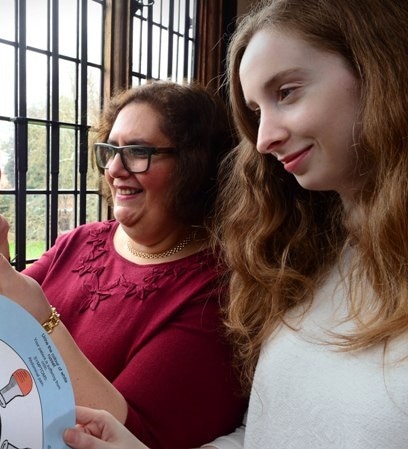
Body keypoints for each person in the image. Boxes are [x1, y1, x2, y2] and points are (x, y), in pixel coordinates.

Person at [60, 0, 408, 448]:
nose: (264, 140)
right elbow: (266, 432)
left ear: (378, 71)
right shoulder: (298, 258)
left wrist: (42, 320)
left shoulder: (212, 286)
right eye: (256, 113)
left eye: (287, 92)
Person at [0, 81, 247, 448]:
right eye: (111, 151)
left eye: (138, 152)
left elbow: (134, 435)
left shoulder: (218, 293)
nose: (116, 169)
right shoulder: (80, 241)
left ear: (195, 165)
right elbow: (5, 322)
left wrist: (44, 323)